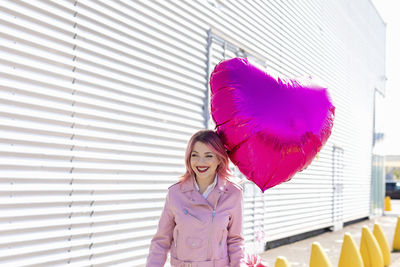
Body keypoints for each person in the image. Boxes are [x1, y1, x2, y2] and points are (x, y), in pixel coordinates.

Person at [146, 129, 246, 267]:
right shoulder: (175, 193)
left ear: (219, 159)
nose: (201, 162)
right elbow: (161, 241)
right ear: (189, 158)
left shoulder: (233, 193)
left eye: (208, 155)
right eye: (195, 155)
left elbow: (235, 241)